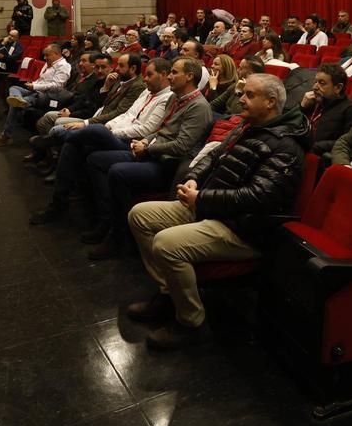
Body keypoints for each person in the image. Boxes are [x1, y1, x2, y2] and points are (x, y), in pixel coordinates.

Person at [125, 73, 310, 349]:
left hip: (243, 229)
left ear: (271, 102)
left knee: (166, 243)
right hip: (212, 208)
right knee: (140, 215)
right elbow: (213, 157)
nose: (240, 98)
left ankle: (191, 322)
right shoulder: (247, 127)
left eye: (249, 94)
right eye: (242, 93)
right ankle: (170, 292)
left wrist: (202, 198)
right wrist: (195, 178)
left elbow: (258, 197)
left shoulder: (286, 145)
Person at [83, 58, 214, 259]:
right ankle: (106, 219)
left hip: (168, 164)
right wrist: (145, 141)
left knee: (118, 172)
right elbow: (161, 131)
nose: (169, 76)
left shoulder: (198, 106)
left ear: (189, 76)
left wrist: (149, 149)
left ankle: (118, 237)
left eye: (174, 72)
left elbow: (182, 146)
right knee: (95, 159)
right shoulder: (175, 98)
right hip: (153, 153)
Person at [29, 57, 173, 225]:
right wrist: (110, 127)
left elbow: (145, 130)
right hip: (116, 132)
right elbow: (127, 115)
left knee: (95, 130)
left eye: (149, 74)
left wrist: (110, 131)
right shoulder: (147, 91)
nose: (145, 78)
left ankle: (53, 138)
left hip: (132, 142)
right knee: (73, 146)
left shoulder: (167, 98)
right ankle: (58, 205)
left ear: (163, 75)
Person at [26, 53, 142, 168]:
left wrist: (84, 121)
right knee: (48, 118)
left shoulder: (131, 84)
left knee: (58, 125)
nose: (117, 69)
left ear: (132, 68)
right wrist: (71, 110)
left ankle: (50, 150)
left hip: (102, 122)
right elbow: (89, 101)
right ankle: (49, 155)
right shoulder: (115, 81)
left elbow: (113, 111)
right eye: (97, 67)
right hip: (93, 115)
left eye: (121, 66)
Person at [0, 44, 71, 146]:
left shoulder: (64, 66)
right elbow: (42, 80)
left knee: (15, 105)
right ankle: (19, 99)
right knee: (14, 88)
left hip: (48, 96)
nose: (45, 58)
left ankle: (6, 136)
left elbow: (57, 86)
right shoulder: (49, 63)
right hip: (37, 90)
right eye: (44, 55)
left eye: (47, 55)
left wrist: (35, 87)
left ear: (56, 54)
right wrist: (33, 84)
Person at [299, 63, 352, 154]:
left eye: (322, 83)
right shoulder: (311, 101)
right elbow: (293, 127)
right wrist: (302, 108)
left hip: (321, 157)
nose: (314, 87)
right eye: (315, 82)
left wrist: (312, 147)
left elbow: (345, 142)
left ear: (338, 87)